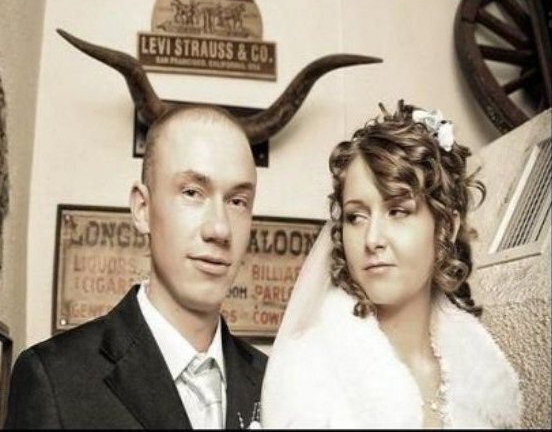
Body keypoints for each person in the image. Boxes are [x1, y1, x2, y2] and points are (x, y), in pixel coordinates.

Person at [261, 101, 522, 428]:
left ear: (446, 226)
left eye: (397, 211)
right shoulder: (306, 373)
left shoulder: (490, 381)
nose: (372, 239)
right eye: (356, 216)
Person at [5, 106, 267, 429]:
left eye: (237, 201)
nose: (220, 229)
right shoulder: (54, 379)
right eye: (192, 193)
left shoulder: (275, 383)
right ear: (142, 208)